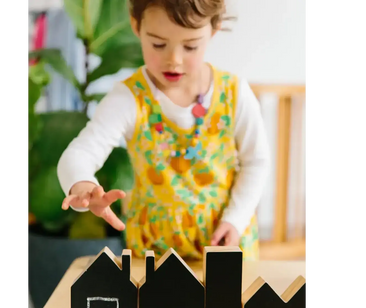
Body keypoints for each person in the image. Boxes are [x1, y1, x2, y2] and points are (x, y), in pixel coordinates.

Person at [57, 0, 270, 261]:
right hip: (153, 254)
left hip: (225, 245)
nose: (174, 60)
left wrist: (235, 220)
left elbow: (256, 162)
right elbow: (79, 154)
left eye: (190, 46)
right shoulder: (128, 99)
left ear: (213, 30)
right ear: (136, 26)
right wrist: (83, 186)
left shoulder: (235, 94)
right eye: (158, 44)